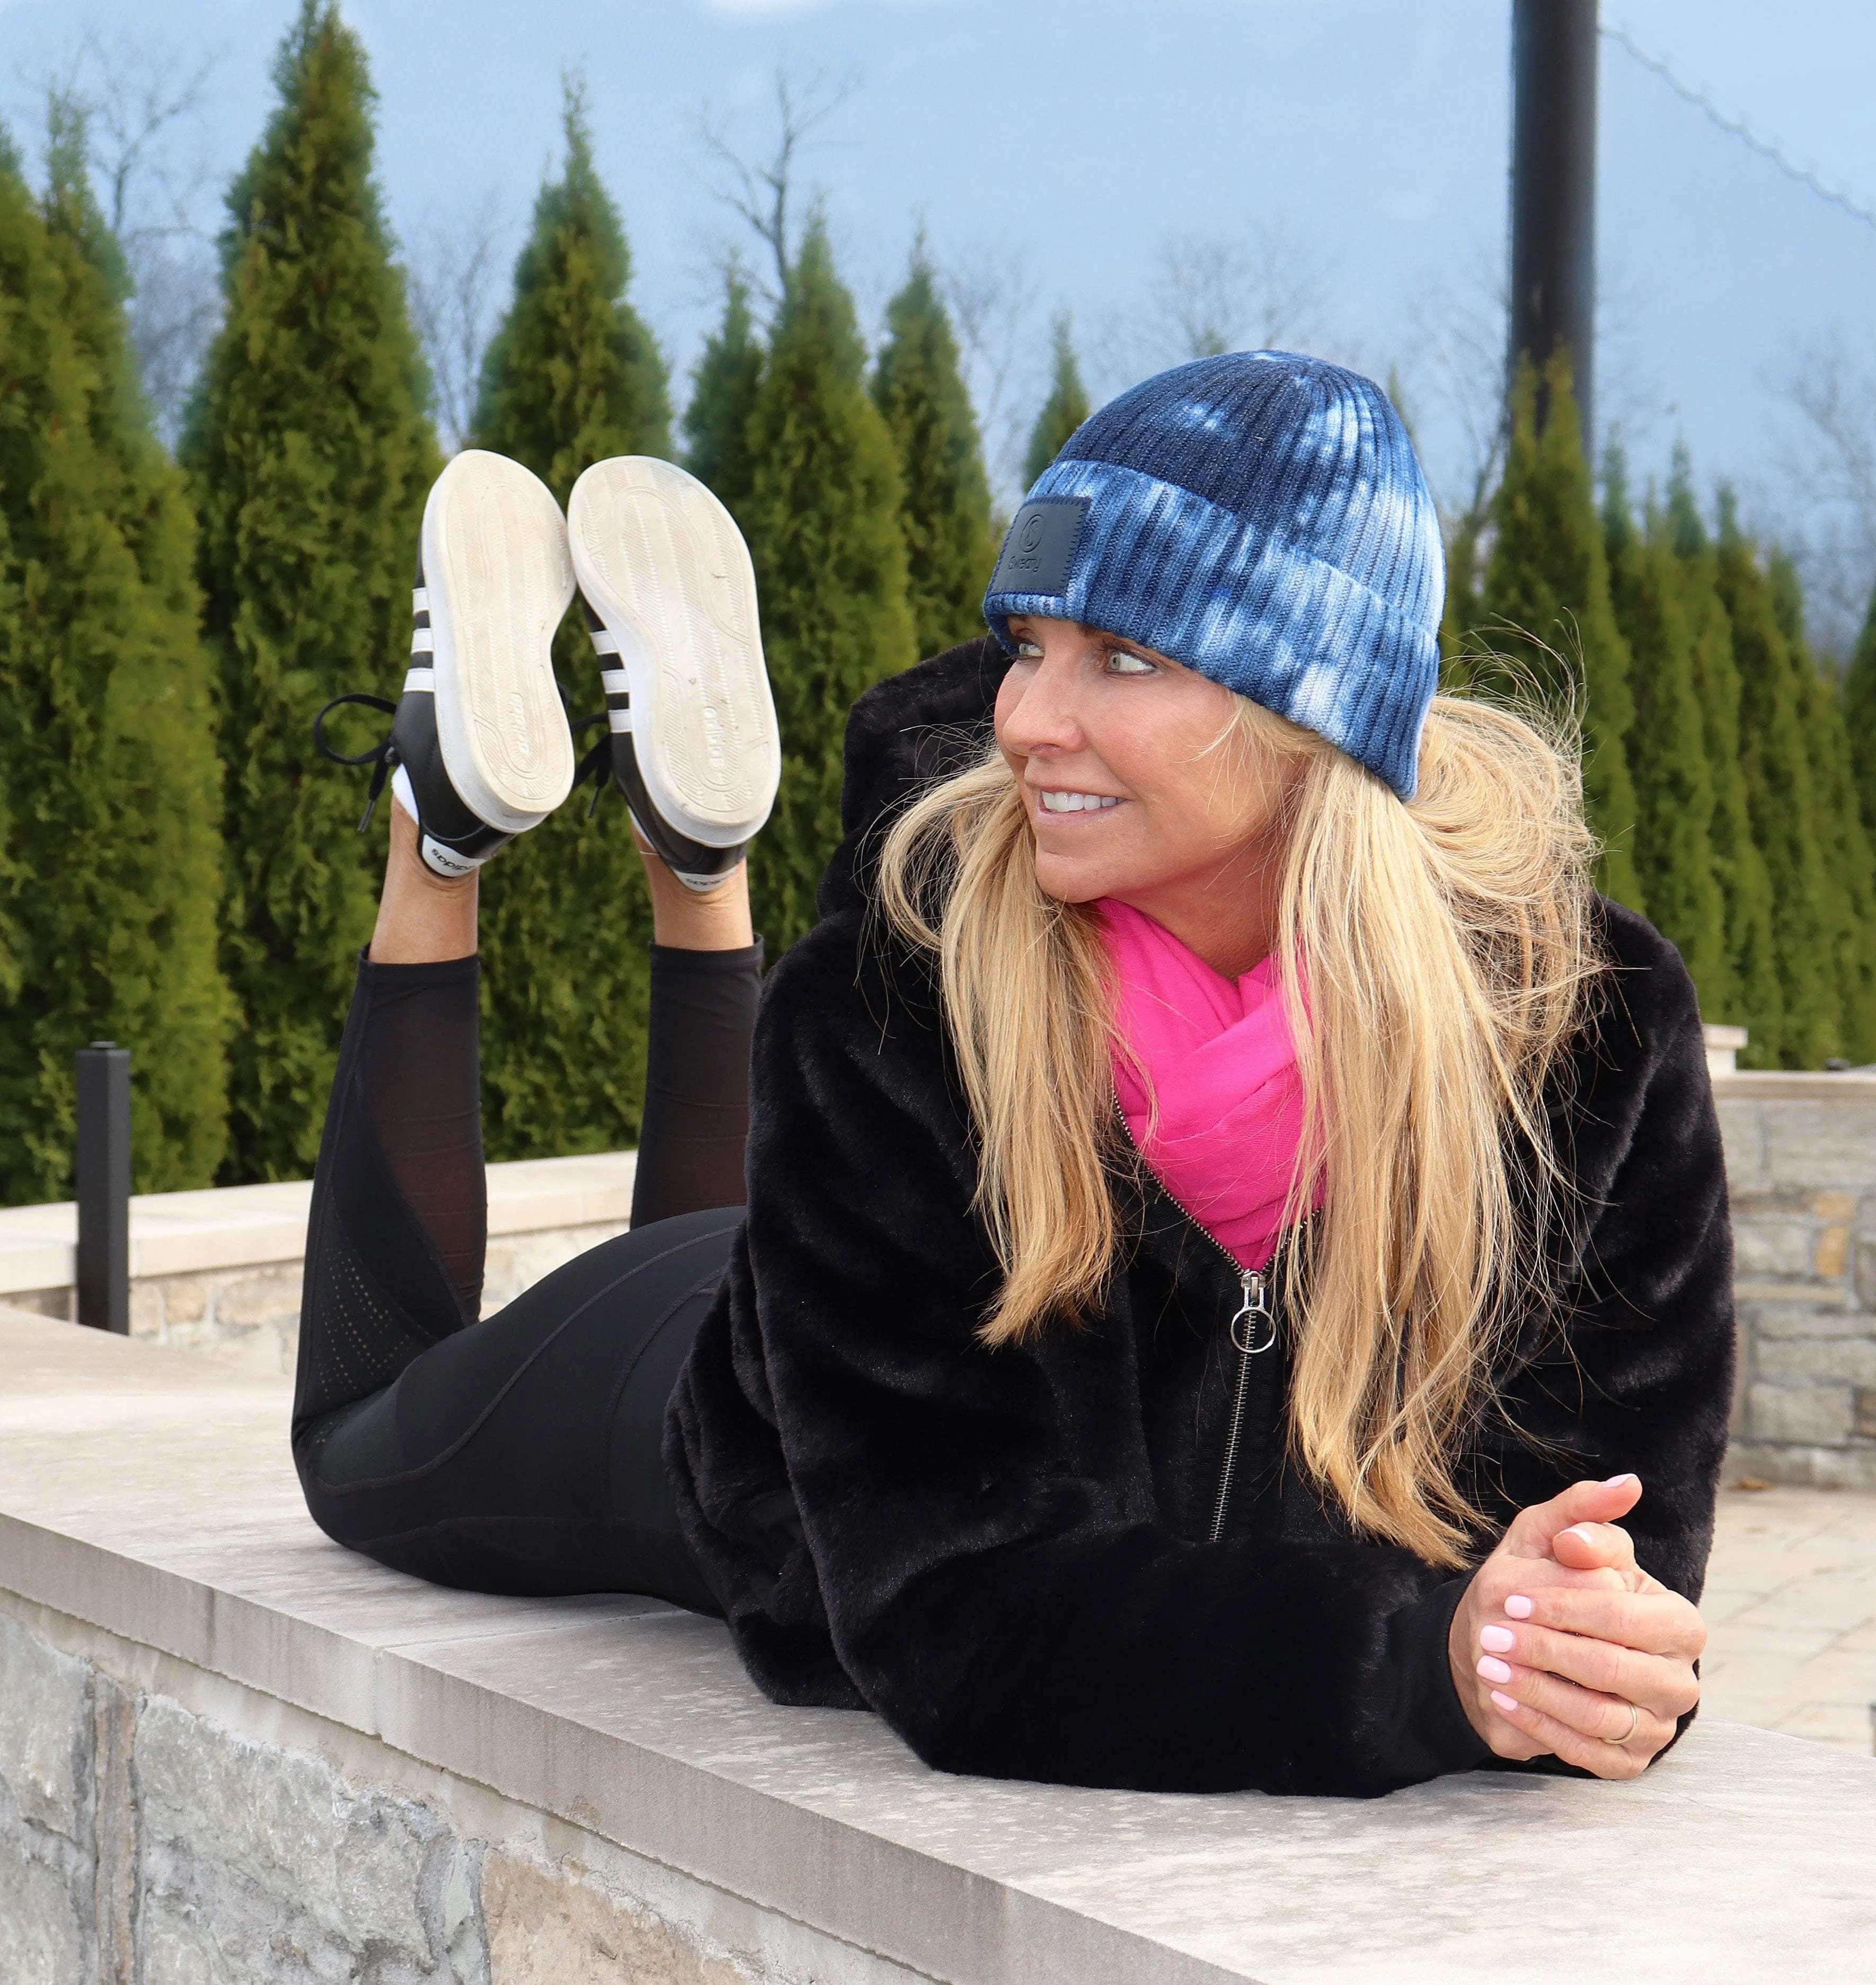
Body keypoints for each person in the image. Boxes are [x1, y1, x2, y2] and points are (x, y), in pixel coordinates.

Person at [295, 353, 1728, 1800]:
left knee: (737, 1198)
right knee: (353, 1440)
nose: (1028, 718)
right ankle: (443, 830)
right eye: (1026, 645)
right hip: (674, 1383)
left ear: (1312, 712)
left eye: (1122, 659)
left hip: (820, 1260)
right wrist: (1415, 1668)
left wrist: (1573, 1648)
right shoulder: (892, 1003)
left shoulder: (1587, 1034)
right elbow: (952, 1611)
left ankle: (691, 851)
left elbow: (1613, 1574)